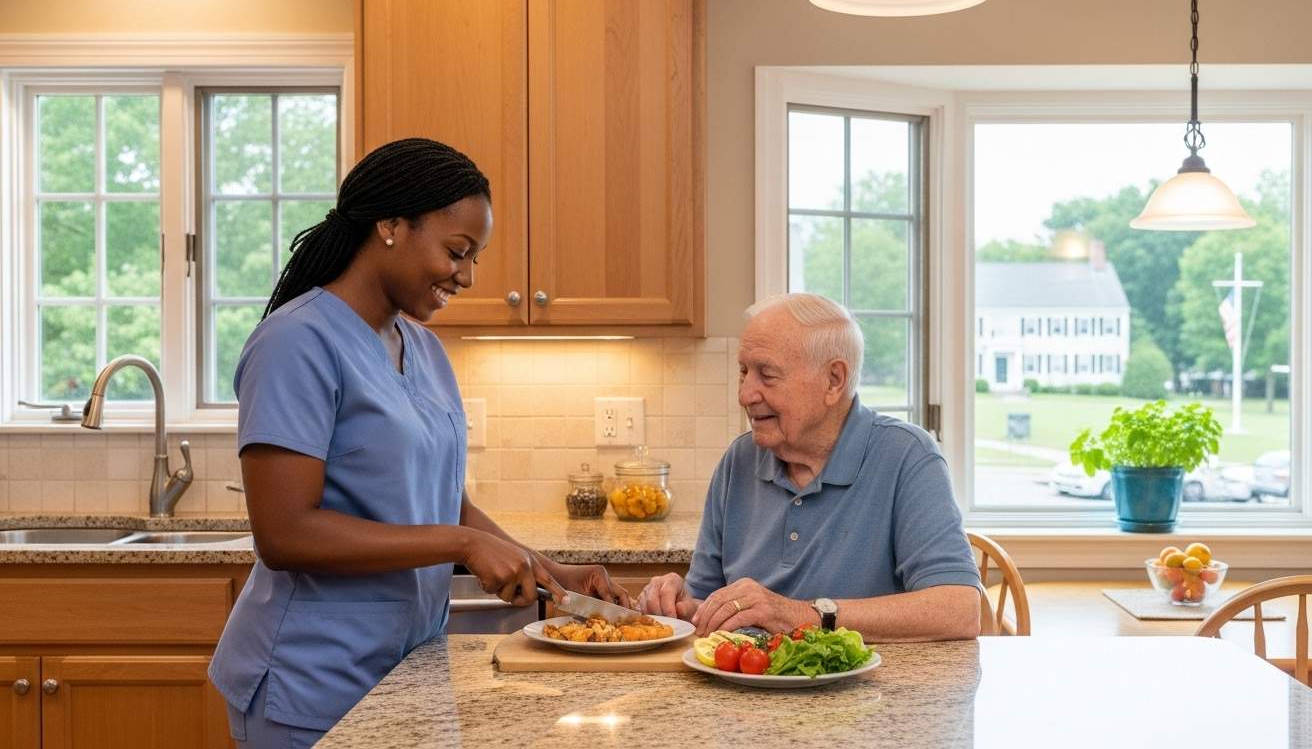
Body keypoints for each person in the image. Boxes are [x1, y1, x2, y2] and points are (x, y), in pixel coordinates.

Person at [209, 138, 629, 748]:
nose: (467, 275)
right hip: (312, 683)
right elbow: (285, 533)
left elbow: (441, 502)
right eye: (457, 252)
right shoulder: (295, 343)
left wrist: (552, 572)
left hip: (408, 672)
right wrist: (462, 544)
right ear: (390, 226)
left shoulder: (423, 349)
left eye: (475, 257)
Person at [636, 293, 982, 642]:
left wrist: (801, 615)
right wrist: (681, 606)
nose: (745, 394)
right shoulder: (738, 461)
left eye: (766, 375)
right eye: (743, 372)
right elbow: (705, 604)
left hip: (866, 694)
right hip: (745, 689)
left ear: (834, 380)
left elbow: (959, 609)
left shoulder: (906, 456)